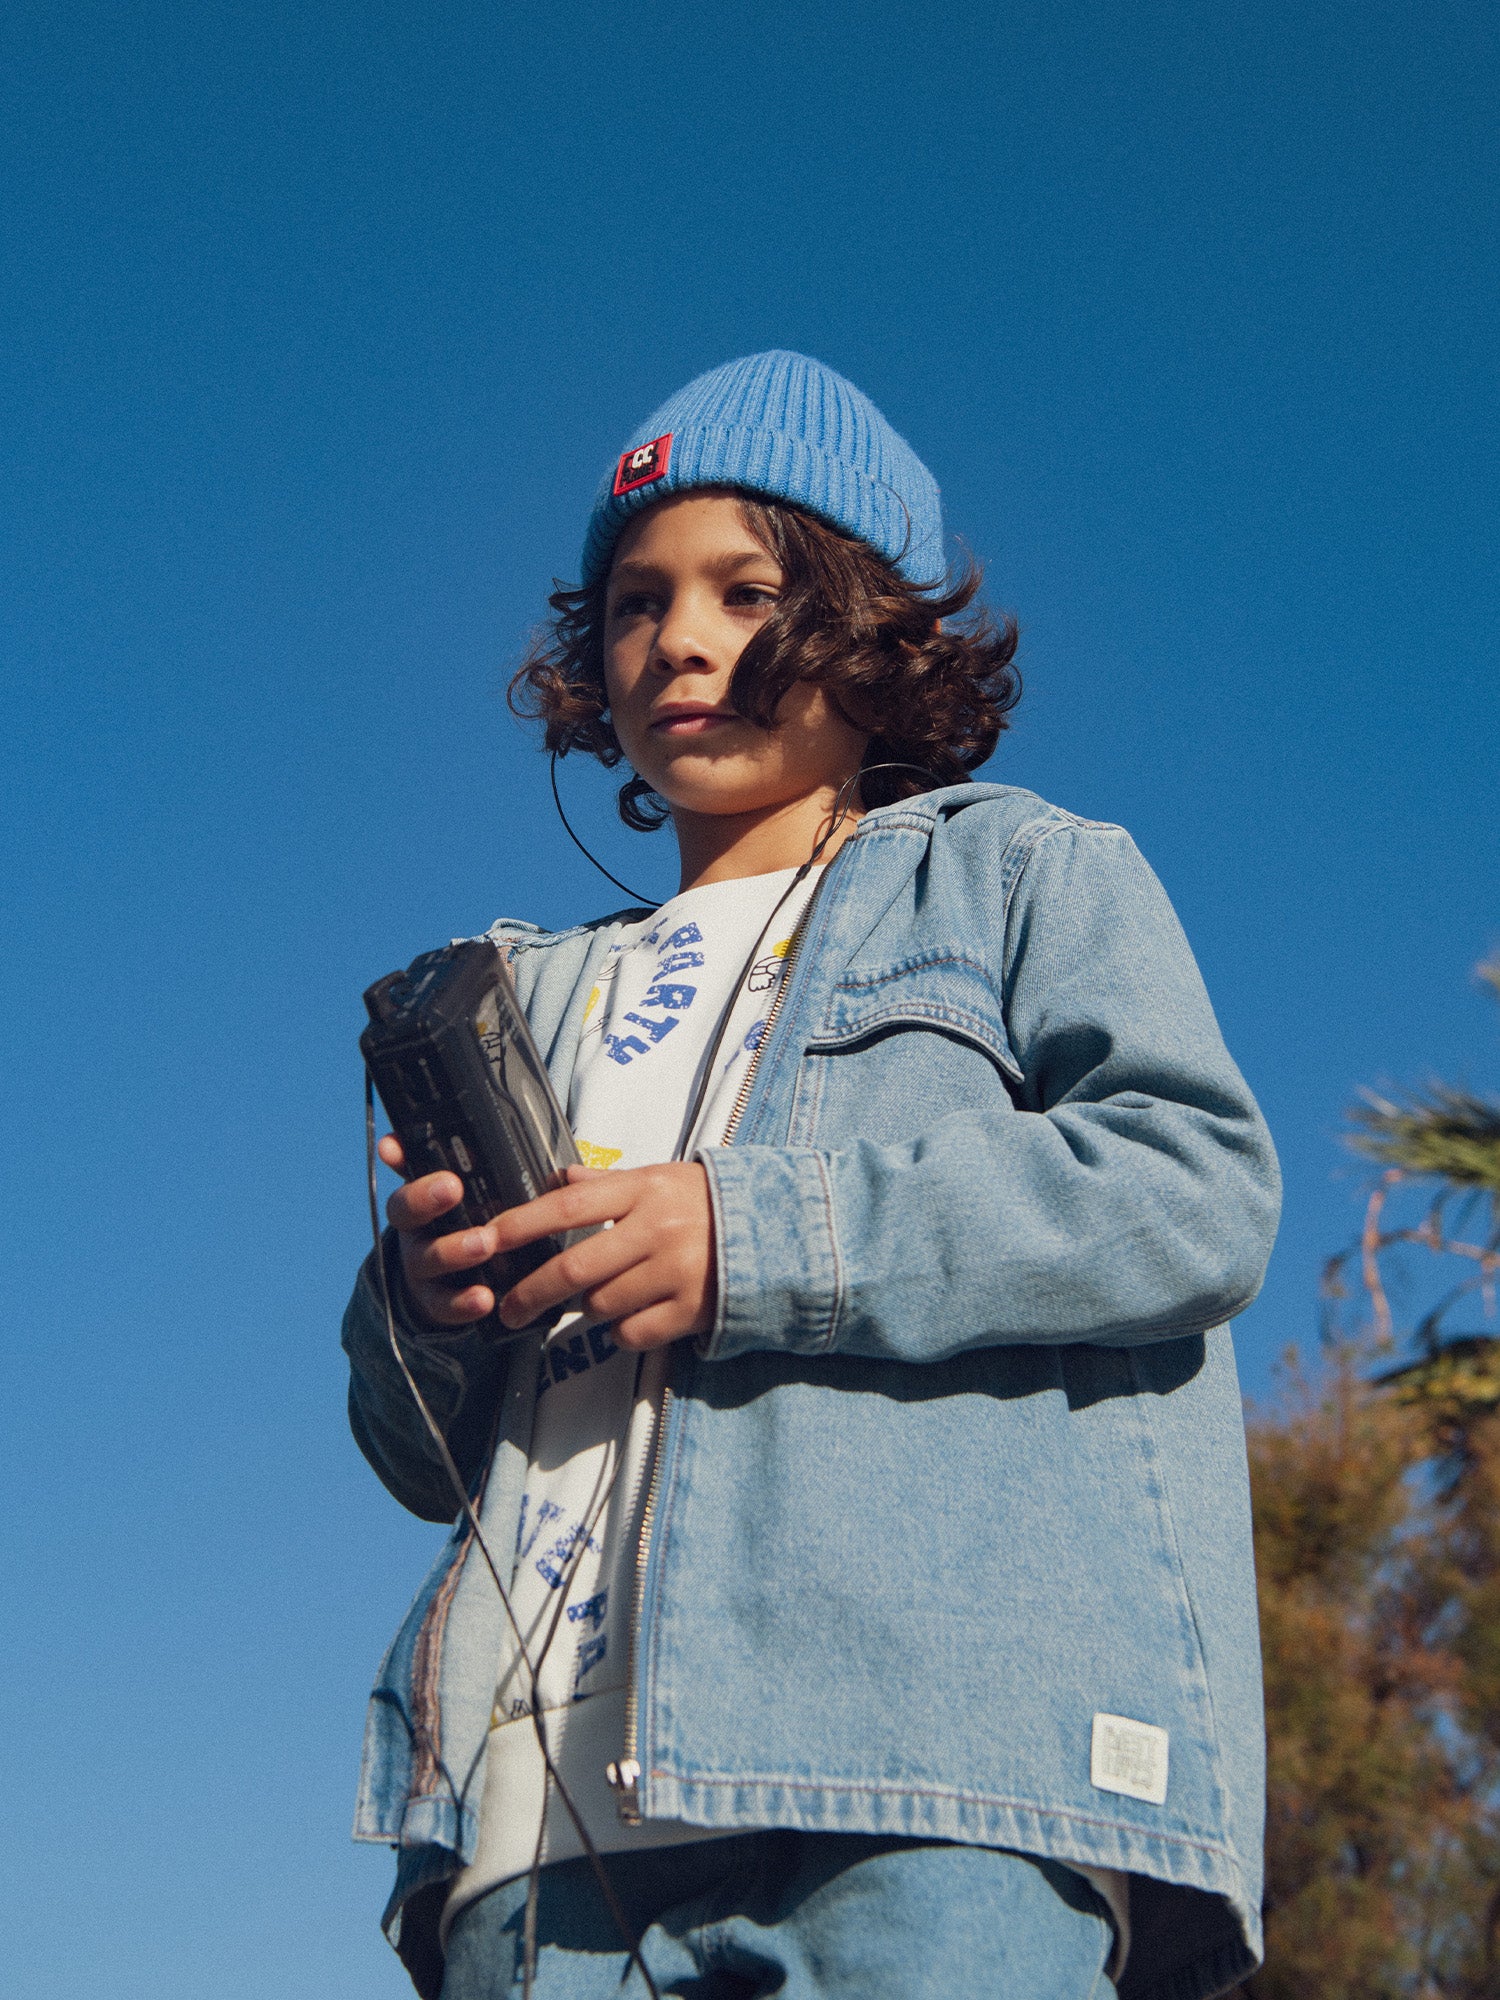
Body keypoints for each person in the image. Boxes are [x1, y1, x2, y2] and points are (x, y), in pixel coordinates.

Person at [343, 351, 1280, 2000]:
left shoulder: (1020, 877)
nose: (679, 639)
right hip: (525, 1835)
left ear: (869, 627)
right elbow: (418, 1460)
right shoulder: (530, 992)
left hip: (925, 1786)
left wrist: (752, 1236)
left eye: (743, 588)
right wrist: (423, 1308)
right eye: (635, 600)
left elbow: (1192, 1189)